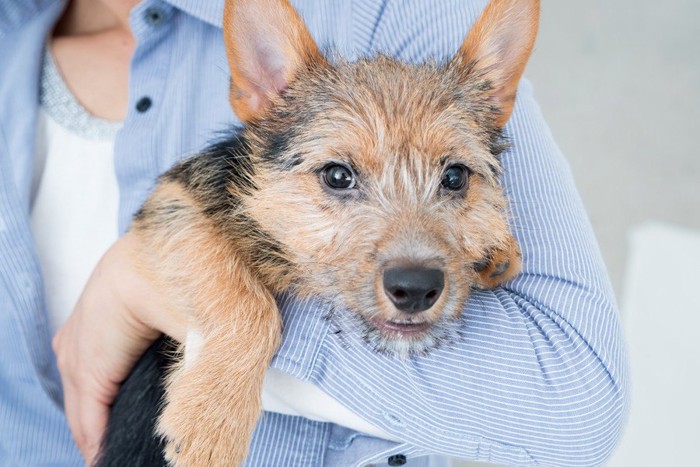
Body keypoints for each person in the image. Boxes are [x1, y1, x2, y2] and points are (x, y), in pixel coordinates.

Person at [0, 0, 628, 465]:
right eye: (337, 176)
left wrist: (156, 291)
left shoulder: (390, 12)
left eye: (454, 178)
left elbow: (576, 407)